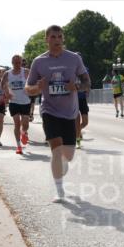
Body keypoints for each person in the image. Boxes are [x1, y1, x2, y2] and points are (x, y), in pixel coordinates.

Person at [26, 25, 90, 202]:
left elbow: (87, 82)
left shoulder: (74, 59)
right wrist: (37, 88)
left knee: (67, 156)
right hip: (49, 110)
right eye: (53, 37)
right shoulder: (39, 62)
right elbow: (28, 89)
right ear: (46, 39)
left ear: (63, 39)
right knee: (56, 150)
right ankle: (60, 190)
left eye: (60, 37)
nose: (57, 40)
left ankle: (62, 164)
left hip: (69, 113)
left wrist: (76, 86)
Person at [6, 55, 32, 155]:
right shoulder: (7, 74)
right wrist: (6, 92)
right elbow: (2, 84)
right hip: (14, 102)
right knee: (17, 123)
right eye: (15, 62)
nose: (17, 64)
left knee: (25, 125)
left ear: (21, 62)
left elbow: (34, 81)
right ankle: (18, 146)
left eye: (19, 62)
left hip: (25, 101)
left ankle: (24, 132)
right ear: (12, 63)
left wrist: (32, 88)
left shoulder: (26, 72)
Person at [73, 51, 89, 149]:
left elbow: (88, 82)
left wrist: (87, 92)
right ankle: (78, 140)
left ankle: (76, 131)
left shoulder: (85, 70)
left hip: (82, 98)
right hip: (73, 98)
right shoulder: (70, 69)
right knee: (77, 119)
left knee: (85, 122)